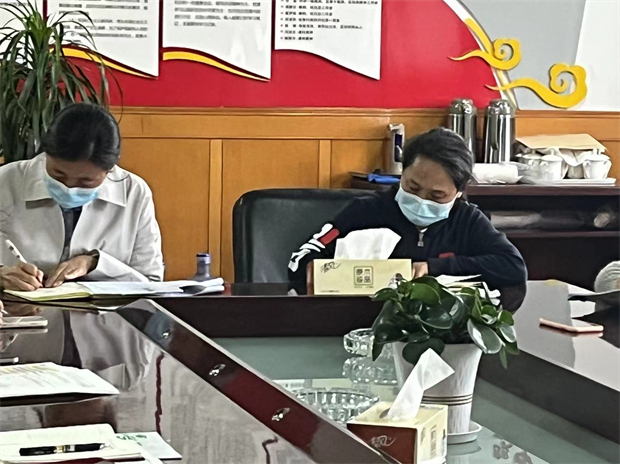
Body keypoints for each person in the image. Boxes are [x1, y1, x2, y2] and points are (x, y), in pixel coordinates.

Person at [289, 127, 527, 297]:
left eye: (437, 196)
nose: (421, 200)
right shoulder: (365, 211)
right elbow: (302, 259)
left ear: (458, 192)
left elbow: (513, 267)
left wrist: (434, 267)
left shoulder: (466, 219)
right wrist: (319, 272)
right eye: (412, 187)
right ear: (402, 173)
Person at [0, 103, 163, 291]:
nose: (69, 188)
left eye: (86, 181)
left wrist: (95, 264)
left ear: (109, 169)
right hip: (19, 308)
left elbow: (151, 282)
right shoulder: (6, 181)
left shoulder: (134, 192)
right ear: (46, 154)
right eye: (58, 175)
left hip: (107, 311)